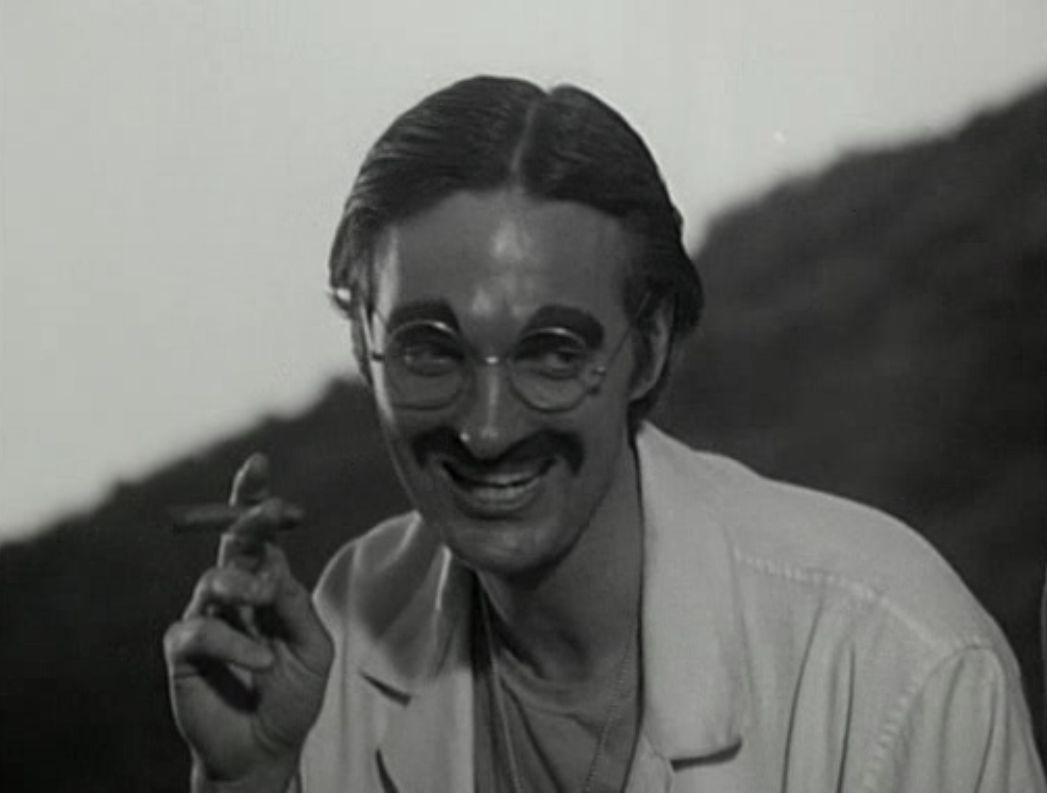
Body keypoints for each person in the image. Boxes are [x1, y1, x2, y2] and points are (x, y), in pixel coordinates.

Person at [163, 75, 1046, 793]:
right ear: (364, 344)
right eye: (429, 348)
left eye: (553, 351)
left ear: (649, 345)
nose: (485, 427)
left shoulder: (896, 662)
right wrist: (248, 781)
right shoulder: (348, 625)